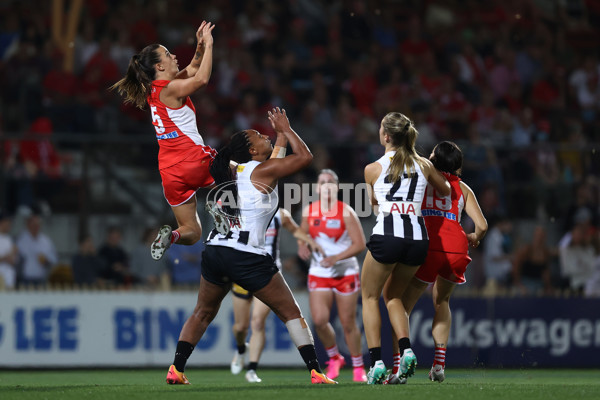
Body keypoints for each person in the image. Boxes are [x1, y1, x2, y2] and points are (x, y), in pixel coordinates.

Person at [165, 107, 336, 385]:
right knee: (291, 313)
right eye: (257, 135)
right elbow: (305, 157)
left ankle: (176, 368)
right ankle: (316, 372)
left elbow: (275, 158)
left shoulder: (235, 171)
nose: (263, 134)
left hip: (216, 251)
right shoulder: (264, 171)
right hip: (246, 255)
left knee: (203, 312)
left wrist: (279, 135)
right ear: (252, 151)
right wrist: (288, 129)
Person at [111, 21, 217, 261]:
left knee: (193, 231)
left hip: (170, 172)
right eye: (168, 54)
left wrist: (199, 47)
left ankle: (172, 237)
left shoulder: (156, 90)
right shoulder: (170, 89)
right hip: (192, 159)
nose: (174, 56)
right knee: (240, 175)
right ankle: (222, 208)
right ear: (159, 65)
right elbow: (201, 80)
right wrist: (210, 46)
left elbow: (192, 67)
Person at [383, 141, 487, 384]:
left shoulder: (423, 178)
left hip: (428, 245)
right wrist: (473, 237)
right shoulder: (464, 189)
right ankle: (439, 365)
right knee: (442, 301)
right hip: (457, 248)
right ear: (458, 166)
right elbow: (482, 226)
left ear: (433, 160)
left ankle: (398, 369)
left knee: (399, 305)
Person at [361, 112, 450, 385]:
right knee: (394, 297)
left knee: (369, 296)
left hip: (387, 235)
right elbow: (446, 189)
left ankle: (377, 363)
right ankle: (407, 348)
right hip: (417, 239)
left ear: (386, 136)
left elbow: (374, 205)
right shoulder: (423, 165)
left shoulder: (372, 169)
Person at [230, 208, 324, 383]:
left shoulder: (280, 214)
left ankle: (251, 369)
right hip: (242, 272)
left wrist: (309, 241)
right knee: (240, 327)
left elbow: (296, 230)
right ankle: (241, 348)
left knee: (257, 321)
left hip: (267, 274)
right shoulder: (241, 210)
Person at [296, 169, 368, 382]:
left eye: (330, 182)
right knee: (319, 321)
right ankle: (335, 357)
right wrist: (303, 245)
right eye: (322, 182)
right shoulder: (310, 211)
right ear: (318, 188)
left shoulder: (346, 212)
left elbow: (360, 244)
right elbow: (302, 233)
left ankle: (358, 367)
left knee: (347, 322)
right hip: (320, 271)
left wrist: (336, 259)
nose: (326, 186)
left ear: (336, 187)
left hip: (345, 270)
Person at [16, 213, 58, 285]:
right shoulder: (21, 240)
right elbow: (16, 258)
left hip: (41, 278)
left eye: (37, 225)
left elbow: (54, 259)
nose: (36, 227)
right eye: (33, 225)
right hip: (25, 278)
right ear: (28, 225)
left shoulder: (46, 241)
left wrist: (46, 261)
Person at [0, 211, 18, 289]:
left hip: (9, 279)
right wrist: (5, 258)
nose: (9, 225)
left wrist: (14, 254)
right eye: (7, 222)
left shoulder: (9, 239)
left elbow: (13, 261)